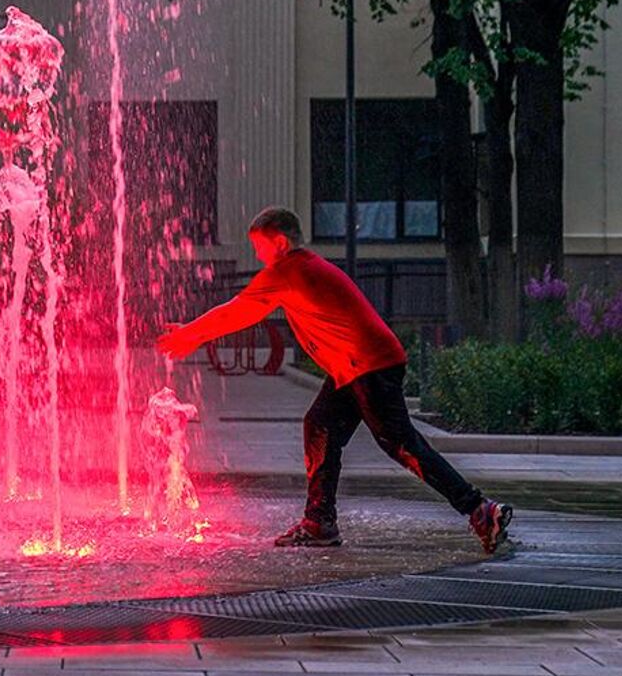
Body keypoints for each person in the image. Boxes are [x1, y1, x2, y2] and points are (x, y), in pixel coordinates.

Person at [157, 206, 513, 552]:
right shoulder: (304, 267)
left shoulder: (289, 269)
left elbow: (238, 311)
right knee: (320, 426)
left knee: (401, 444)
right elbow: (245, 311)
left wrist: (190, 334)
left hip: (367, 364)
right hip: (356, 366)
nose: (257, 254)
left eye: (260, 246)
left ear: (280, 243)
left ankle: (479, 510)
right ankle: (319, 523)